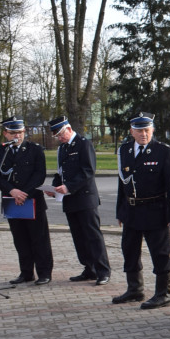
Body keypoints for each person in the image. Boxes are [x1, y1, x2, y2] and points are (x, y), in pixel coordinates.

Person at [111, 112, 170, 308]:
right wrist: (119, 211)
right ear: (131, 131)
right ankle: (135, 289)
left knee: (160, 253)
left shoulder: (163, 151)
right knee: (129, 250)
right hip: (131, 211)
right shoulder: (124, 151)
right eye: (139, 130)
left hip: (155, 210)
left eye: (147, 130)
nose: (143, 134)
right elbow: (122, 183)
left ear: (153, 130)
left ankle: (163, 293)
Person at [47, 116, 111, 284]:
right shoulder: (62, 148)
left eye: (61, 134)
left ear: (68, 129)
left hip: (85, 198)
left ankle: (103, 270)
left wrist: (68, 187)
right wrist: (54, 187)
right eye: (57, 136)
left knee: (93, 236)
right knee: (78, 237)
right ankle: (88, 268)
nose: (59, 138)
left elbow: (88, 171)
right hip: (69, 200)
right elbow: (61, 172)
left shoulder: (83, 144)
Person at [0, 117, 53, 285]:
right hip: (11, 199)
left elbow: (40, 174)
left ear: (24, 132)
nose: (16, 136)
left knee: (39, 239)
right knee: (20, 239)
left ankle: (44, 273)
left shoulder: (35, 150)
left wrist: (23, 192)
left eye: (19, 132)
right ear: (5, 134)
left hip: (31, 199)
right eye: (12, 133)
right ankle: (26, 273)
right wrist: (12, 191)